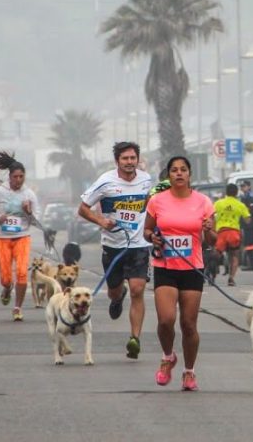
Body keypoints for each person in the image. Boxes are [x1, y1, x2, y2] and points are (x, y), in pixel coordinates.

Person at [143, 156, 216, 391]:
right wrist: (152, 237)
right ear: (169, 175)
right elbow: (146, 231)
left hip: (192, 268)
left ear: (189, 174)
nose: (179, 173)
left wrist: (209, 231)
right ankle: (168, 357)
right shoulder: (157, 201)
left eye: (183, 170)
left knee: (188, 324)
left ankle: (189, 371)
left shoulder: (204, 202)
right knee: (166, 320)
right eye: (174, 170)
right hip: (165, 266)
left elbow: (212, 240)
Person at [78, 141, 153, 359]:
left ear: (138, 159)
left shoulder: (146, 180)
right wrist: (101, 221)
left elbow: (150, 205)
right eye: (125, 158)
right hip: (113, 247)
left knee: (138, 289)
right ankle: (118, 297)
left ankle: (135, 339)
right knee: (114, 291)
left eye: (133, 158)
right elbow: (83, 209)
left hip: (138, 245)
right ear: (117, 161)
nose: (129, 162)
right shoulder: (105, 181)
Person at [0, 151, 43, 322]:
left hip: (22, 236)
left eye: (21, 176)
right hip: (2, 237)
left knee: (22, 273)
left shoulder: (29, 194)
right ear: (10, 177)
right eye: (15, 177)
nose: (18, 180)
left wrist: (28, 212)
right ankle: (7, 288)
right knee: (6, 278)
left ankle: (17, 308)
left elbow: (37, 221)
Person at [212, 183, 251, 286]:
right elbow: (247, 220)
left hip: (221, 232)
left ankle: (213, 272)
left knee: (216, 254)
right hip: (234, 233)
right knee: (234, 256)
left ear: (226, 192)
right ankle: (231, 278)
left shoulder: (218, 203)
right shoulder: (240, 205)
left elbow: (211, 215)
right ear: (237, 193)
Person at [238, 181, 253, 270]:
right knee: (248, 244)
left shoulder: (251, 197)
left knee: (252, 244)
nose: (242, 188)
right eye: (241, 186)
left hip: (251, 224)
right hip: (246, 225)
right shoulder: (243, 197)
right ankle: (250, 263)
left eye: (244, 186)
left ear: (249, 186)